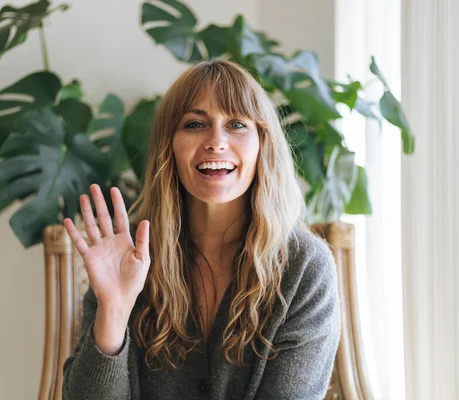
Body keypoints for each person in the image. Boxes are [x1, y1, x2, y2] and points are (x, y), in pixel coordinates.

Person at [61, 59, 341, 400]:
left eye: (237, 124)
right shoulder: (129, 255)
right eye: (195, 124)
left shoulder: (304, 267)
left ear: (262, 144)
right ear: (170, 146)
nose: (216, 141)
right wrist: (114, 311)